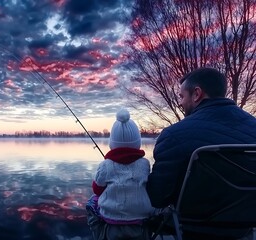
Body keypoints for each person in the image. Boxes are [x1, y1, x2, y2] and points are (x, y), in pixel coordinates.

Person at [146, 67, 256, 239]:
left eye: (182, 96)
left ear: (197, 94)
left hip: (193, 231)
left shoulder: (174, 136)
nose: (180, 103)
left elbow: (158, 198)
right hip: (246, 229)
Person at [86, 108, 154, 240]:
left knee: (91, 202)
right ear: (137, 143)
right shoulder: (145, 164)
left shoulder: (105, 165)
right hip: (141, 218)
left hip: (111, 219)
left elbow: (97, 190)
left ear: (112, 143)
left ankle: (100, 234)